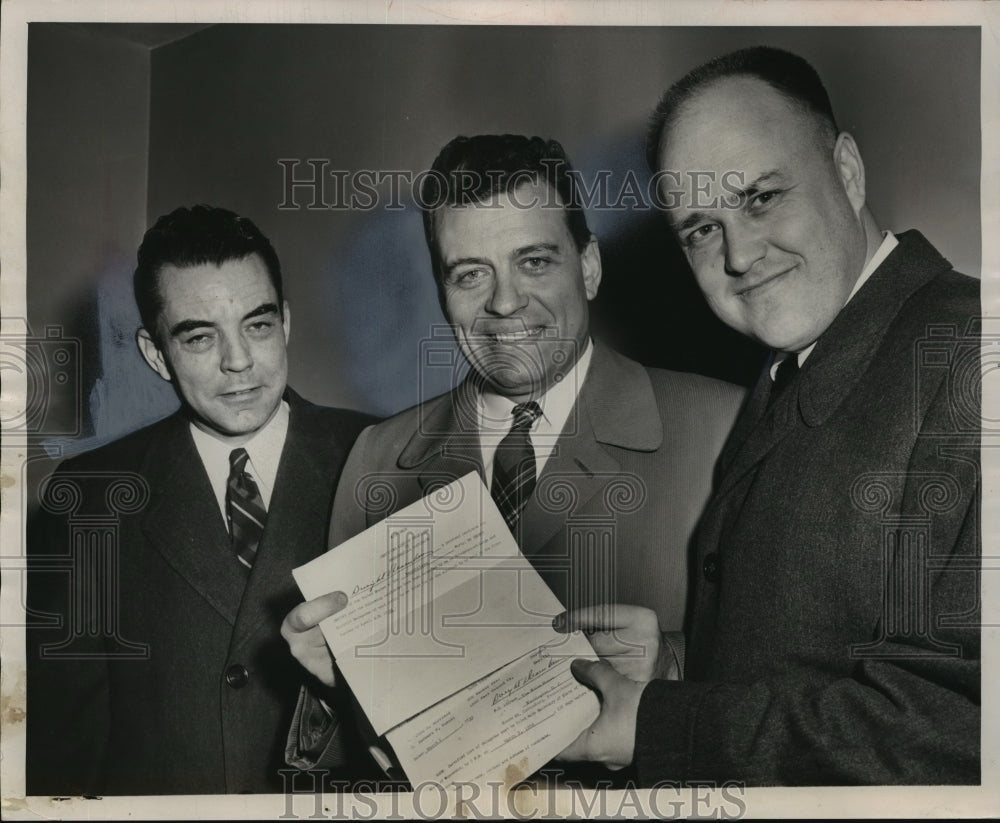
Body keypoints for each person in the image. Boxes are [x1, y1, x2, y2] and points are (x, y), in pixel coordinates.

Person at [557, 46, 980, 785]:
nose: (739, 254)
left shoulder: (973, 355)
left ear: (847, 172)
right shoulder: (785, 371)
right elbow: (807, 651)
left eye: (760, 197)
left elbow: (957, 732)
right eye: (700, 229)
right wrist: (672, 666)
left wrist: (654, 723)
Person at [280, 134, 745, 779]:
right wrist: (343, 684)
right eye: (470, 273)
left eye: (533, 262)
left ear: (589, 266)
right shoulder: (379, 457)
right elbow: (354, 755)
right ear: (444, 292)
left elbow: (805, 686)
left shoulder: (724, 429)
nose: (504, 303)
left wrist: (672, 664)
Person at [26, 205, 373, 794]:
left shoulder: (382, 456)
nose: (237, 362)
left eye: (257, 325)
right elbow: (65, 751)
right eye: (199, 336)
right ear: (156, 353)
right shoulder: (87, 499)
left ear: (285, 323)